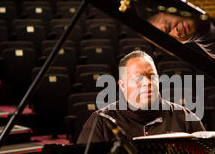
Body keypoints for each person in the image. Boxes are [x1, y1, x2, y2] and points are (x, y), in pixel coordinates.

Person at [76, 50, 205, 144]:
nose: (148, 82)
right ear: (122, 85)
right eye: (138, 78)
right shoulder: (101, 122)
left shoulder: (185, 117)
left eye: (151, 76)